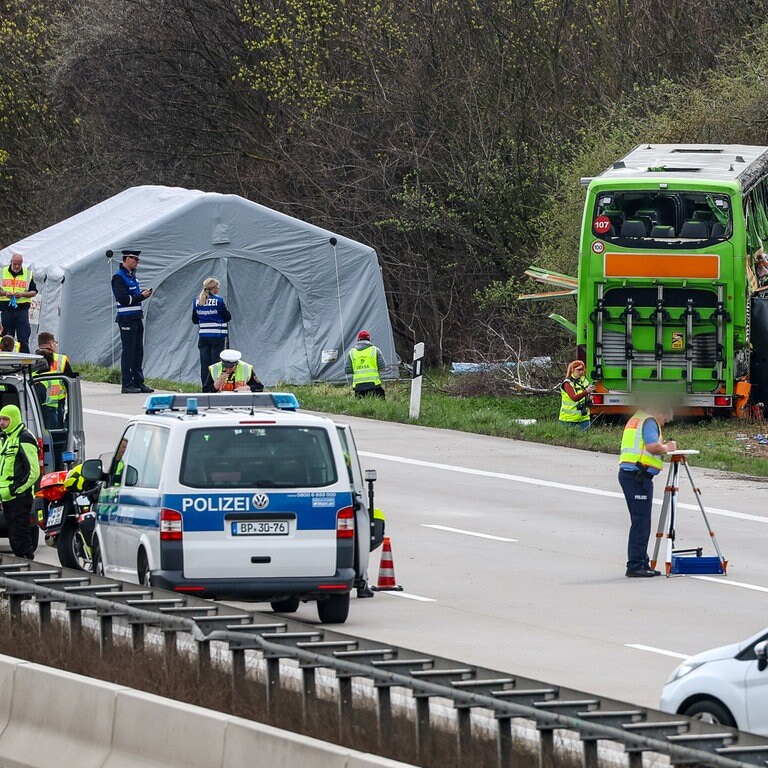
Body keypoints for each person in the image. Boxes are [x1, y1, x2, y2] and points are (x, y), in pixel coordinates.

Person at [618, 404, 676, 578]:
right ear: (660, 412)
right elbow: (652, 446)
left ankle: (642, 561)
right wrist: (667, 448)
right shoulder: (649, 421)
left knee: (641, 520)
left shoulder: (638, 418)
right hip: (637, 476)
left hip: (633, 474)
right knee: (641, 522)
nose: (664, 425)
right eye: (665, 420)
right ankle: (635, 565)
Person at [0, 404, 41, 559]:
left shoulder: (24, 437)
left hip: (19, 497)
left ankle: (28, 569)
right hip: (6, 497)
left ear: (15, 419)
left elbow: (33, 471)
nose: (2, 422)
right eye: (1, 419)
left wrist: (14, 489)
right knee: (15, 539)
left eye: (5, 419)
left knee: (20, 539)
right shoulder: (6, 438)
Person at [111, 250, 154, 394]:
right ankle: (127, 383)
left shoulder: (133, 277)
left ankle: (138, 382)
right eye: (134, 259)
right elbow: (123, 299)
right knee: (128, 351)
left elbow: (133, 296)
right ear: (126, 259)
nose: (137, 262)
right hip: (126, 318)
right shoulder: (119, 277)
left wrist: (141, 295)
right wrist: (141, 296)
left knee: (138, 351)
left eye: (138, 259)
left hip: (136, 317)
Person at [191, 277, 231, 387]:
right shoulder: (219, 301)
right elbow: (227, 317)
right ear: (213, 289)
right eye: (217, 288)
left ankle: (205, 386)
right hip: (217, 336)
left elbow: (194, 320)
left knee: (205, 364)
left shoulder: (197, 301)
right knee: (216, 363)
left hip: (203, 337)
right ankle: (215, 386)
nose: (218, 290)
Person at [0, 253, 37, 353]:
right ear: (11, 262)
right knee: (6, 339)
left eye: (19, 264)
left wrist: (22, 294)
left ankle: (25, 363)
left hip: (21, 311)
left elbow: (34, 292)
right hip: (6, 310)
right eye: (15, 264)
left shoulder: (27, 274)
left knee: (23, 338)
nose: (17, 266)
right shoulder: (2, 272)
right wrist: (5, 293)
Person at [346, 330, 386, 399]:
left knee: (359, 407)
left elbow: (348, 370)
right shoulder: (375, 350)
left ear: (358, 340)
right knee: (381, 402)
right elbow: (383, 367)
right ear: (369, 339)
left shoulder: (351, 352)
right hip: (374, 384)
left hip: (358, 386)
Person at [559, 360, 596, 430]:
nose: (581, 372)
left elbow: (587, 394)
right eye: (578, 370)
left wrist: (590, 398)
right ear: (572, 370)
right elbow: (574, 398)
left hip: (584, 417)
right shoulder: (567, 383)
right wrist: (587, 391)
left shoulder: (584, 380)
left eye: (582, 370)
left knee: (585, 439)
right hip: (568, 418)